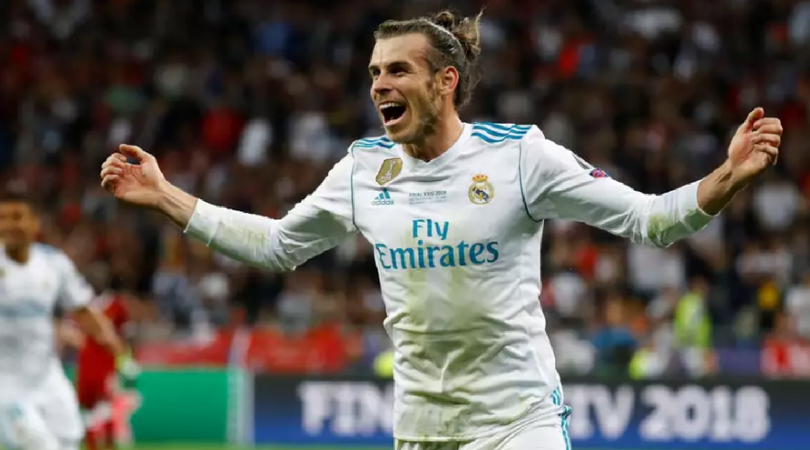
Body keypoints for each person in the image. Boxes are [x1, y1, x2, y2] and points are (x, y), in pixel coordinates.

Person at [99, 10, 783, 450]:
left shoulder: (521, 156)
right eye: (374, 73)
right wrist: (165, 196)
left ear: (445, 81)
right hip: (422, 427)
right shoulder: (362, 169)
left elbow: (649, 220)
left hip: (519, 422)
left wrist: (728, 174)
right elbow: (279, 247)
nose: (379, 85)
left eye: (398, 70)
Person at [0, 192, 135, 450]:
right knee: (40, 445)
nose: (9, 225)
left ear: (34, 223)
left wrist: (119, 351)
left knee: (69, 440)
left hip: (48, 378)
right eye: (2, 218)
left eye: (16, 217)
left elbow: (83, 310)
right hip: (6, 384)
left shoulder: (54, 264)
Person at [75, 280, 139, 450]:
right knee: (91, 411)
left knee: (106, 409)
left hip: (104, 363)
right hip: (89, 362)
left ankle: (107, 443)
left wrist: (125, 357)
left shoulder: (116, 305)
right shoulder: (81, 305)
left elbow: (123, 334)